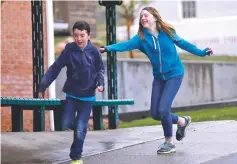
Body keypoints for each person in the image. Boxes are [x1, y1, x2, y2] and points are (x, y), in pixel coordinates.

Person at [99, 7, 213, 154]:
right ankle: (182, 122)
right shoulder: (141, 38)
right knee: (155, 114)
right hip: (159, 78)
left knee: (163, 109)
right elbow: (124, 45)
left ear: (155, 17)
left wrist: (201, 52)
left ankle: (169, 142)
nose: (143, 18)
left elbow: (184, 44)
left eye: (146, 15)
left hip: (174, 75)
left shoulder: (168, 32)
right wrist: (107, 48)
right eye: (141, 17)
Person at [38, 21, 105, 164]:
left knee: (80, 128)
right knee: (67, 122)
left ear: (88, 35)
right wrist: (43, 85)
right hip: (72, 95)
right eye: (76, 36)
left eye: (82, 35)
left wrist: (100, 83)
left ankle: (76, 157)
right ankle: (82, 130)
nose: (79, 39)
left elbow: (100, 70)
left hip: (88, 97)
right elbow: (55, 68)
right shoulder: (69, 50)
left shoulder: (94, 52)